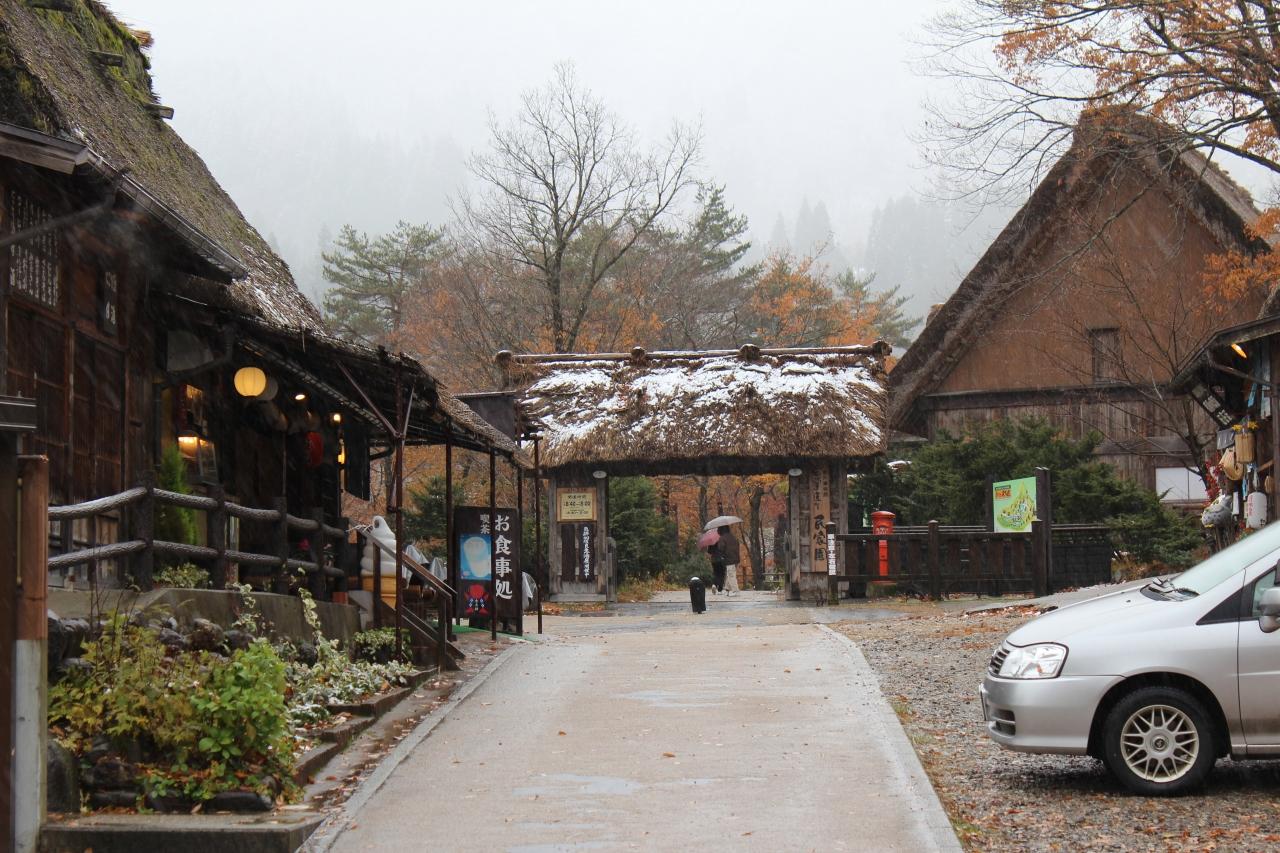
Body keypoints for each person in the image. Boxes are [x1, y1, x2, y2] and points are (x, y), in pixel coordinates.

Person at [718, 525, 741, 596]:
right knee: (730, 573)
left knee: (731, 575)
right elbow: (738, 545)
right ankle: (727, 589)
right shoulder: (733, 537)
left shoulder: (722, 538)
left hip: (729, 558)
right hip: (736, 558)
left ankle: (736, 591)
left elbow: (721, 548)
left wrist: (721, 556)